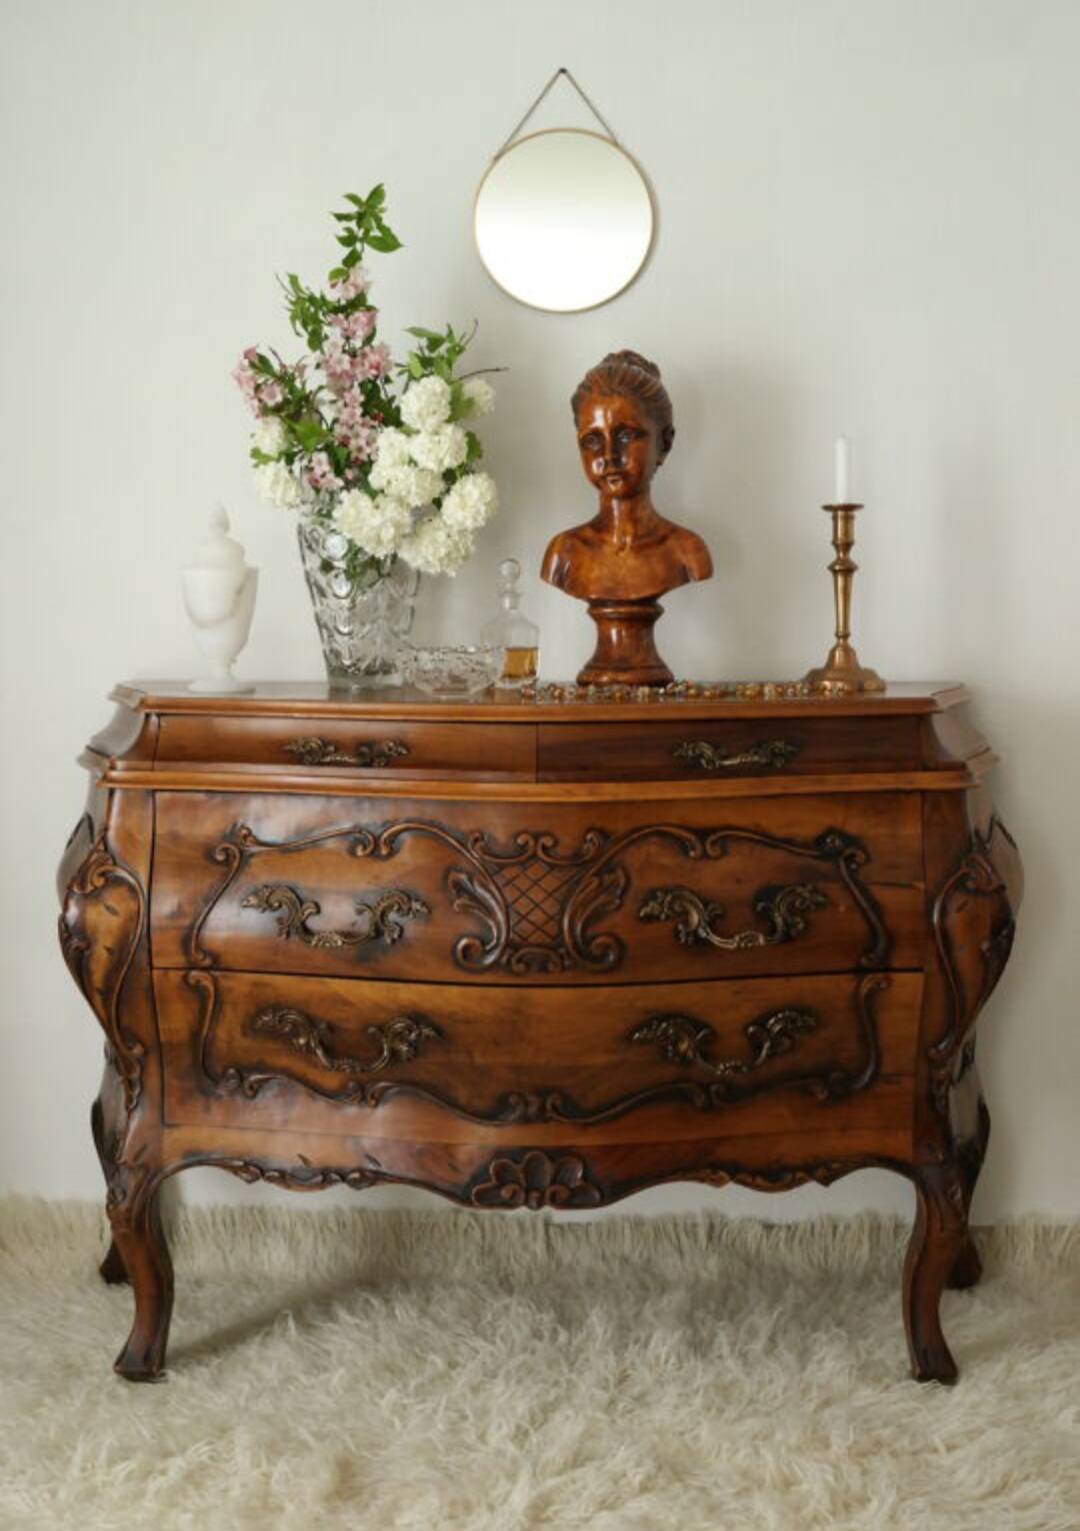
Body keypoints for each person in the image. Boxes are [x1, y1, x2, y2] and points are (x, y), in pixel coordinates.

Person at [541, 350, 713, 602]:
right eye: (592, 440)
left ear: (664, 444)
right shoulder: (565, 553)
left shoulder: (686, 551)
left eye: (626, 436)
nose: (609, 455)